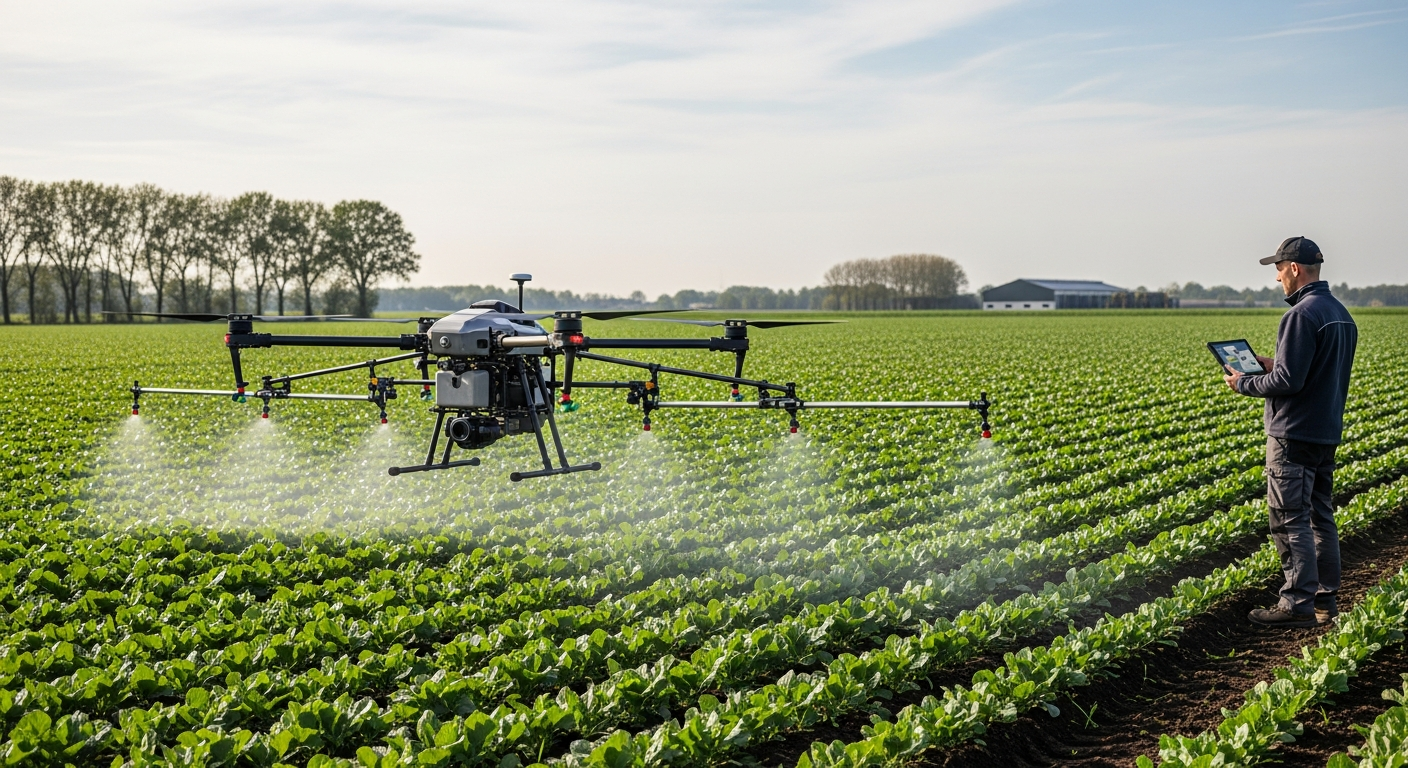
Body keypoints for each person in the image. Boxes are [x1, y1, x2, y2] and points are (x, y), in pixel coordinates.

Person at [1224, 236, 1357, 628]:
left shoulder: (1299, 315)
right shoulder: (1340, 313)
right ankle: (1324, 600)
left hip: (1293, 434)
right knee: (1320, 516)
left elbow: (1289, 382)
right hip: (1324, 432)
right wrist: (1275, 363)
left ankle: (1297, 603)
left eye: (1279, 269)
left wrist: (1243, 383)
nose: (1278, 278)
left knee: (1289, 518)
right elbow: (1308, 372)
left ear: (1295, 269)